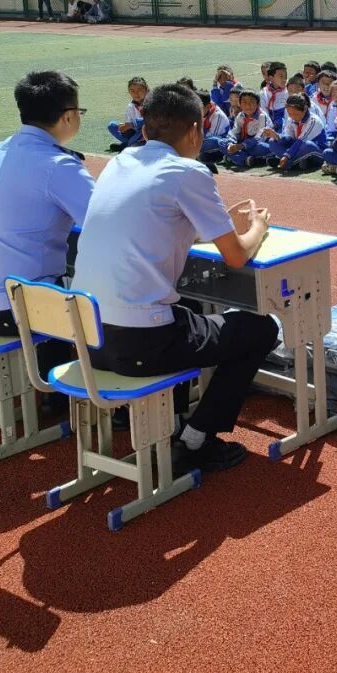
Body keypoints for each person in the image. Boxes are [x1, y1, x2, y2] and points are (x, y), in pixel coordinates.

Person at [72, 83, 275, 472]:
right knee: (260, 329)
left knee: (188, 309)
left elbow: (156, 225)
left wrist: (218, 226)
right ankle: (197, 438)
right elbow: (236, 256)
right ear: (196, 130)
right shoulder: (189, 171)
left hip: (88, 337)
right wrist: (257, 228)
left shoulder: (118, 164)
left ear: (144, 127)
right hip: (140, 344)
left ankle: (175, 419)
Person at [0, 71, 94, 377]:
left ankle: (48, 387)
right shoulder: (58, 164)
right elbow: (106, 223)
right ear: (68, 116)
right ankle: (63, 391)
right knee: (93, 295)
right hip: (14, 309)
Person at [270, 93, 327, 174]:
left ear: (305, 109)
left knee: (307, 145)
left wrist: (286, 156)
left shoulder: (314, 121)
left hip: (317, 151)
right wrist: (277, 137)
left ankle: (286, 163)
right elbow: (289, 138)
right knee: (273, 141)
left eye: (296, 114)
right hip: (298, 150)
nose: (293, 117)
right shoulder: (291, 119)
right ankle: (296, 163)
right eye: (290, 114)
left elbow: (301, 141)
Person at [225, 89, 276, 168]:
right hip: (242, 144)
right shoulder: (240, 115)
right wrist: (230, 143)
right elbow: (234, 132)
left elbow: (259, 138)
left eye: (251, 102)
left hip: (257, 144)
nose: (248, 106)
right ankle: (247, 159)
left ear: (258, 104)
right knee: (222, 142)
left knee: (266, 148)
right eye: (244, 102)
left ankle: (236, 158)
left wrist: (242, 146)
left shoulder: (262, 116)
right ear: (239, 104)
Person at [108, 77, 148, 151]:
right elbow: (128, 124)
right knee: (112, 125)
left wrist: (133, 125)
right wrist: (124, 127)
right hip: (136, 133)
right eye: (132, 91)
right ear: (129, 92)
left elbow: (151, 122)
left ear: (146, 90)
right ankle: (131, 144)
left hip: (150, 134)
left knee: (142, 127)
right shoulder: (131, 106)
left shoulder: (152, 102)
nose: (136, 93)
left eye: (139, 90)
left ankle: (127, 146)